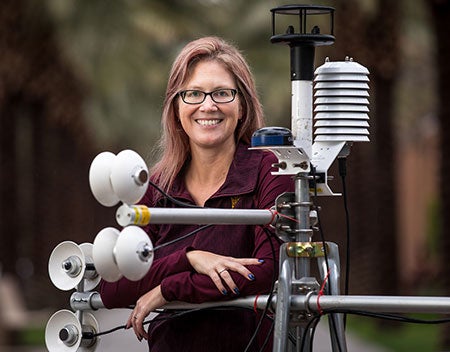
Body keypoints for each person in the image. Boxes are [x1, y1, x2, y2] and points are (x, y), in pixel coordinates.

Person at [99, 36, 294, 351]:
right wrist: (190, 258)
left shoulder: (267, 169)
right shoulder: (158, 185)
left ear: (242, 104)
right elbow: (113, 287)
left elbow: (264, 270)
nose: (208, 105)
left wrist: (170, 288)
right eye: (193, 94)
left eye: (222, 93)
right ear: (176, 108)